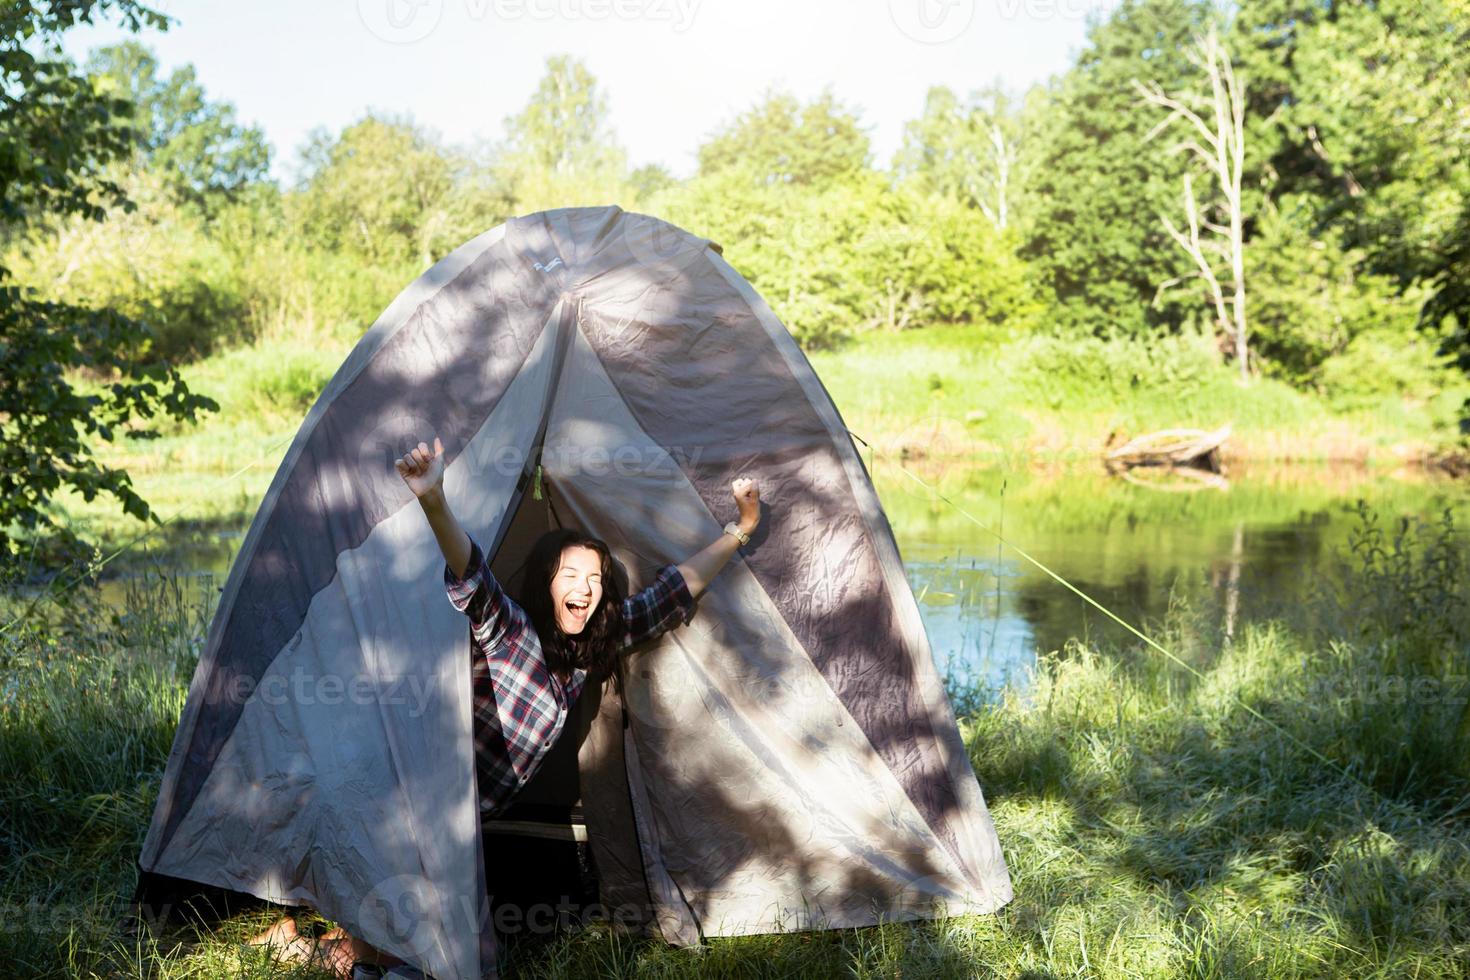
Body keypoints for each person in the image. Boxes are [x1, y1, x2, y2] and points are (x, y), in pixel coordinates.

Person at [250, 436, 762, 978]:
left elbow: (669, 594)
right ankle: (334, 947)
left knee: (417, 950)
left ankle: (312, 943)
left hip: (459, 827)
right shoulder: (515, 634)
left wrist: (740, 530)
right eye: (570, 576)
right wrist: (433, 500)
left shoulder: (590, 646)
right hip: (416, 811)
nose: (584, 590)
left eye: (593, 580)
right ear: (546, 584)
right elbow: (473, 576)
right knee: (431, 962)